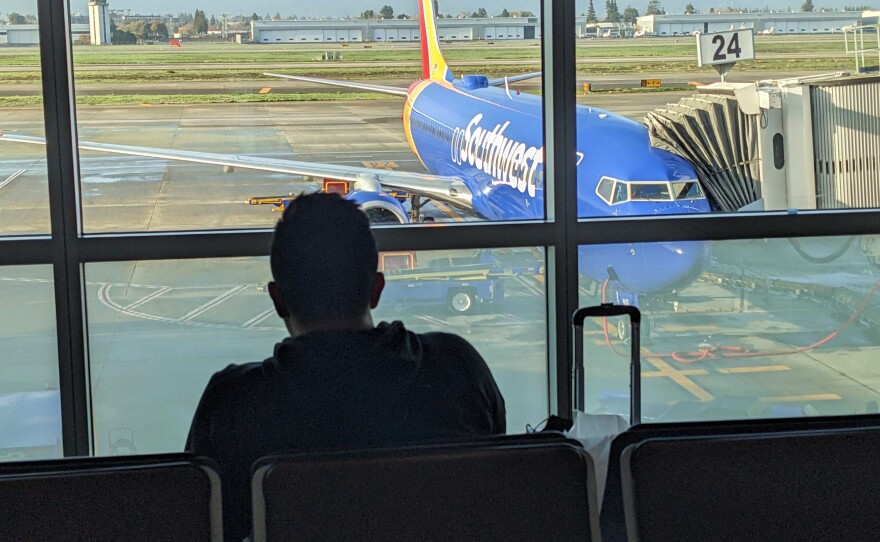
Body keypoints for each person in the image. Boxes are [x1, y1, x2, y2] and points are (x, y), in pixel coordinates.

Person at [186, 193, 506, 542]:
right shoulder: (458, 367)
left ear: (278, 300)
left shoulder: (233, 403)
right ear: (376, 289)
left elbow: (204, 524)